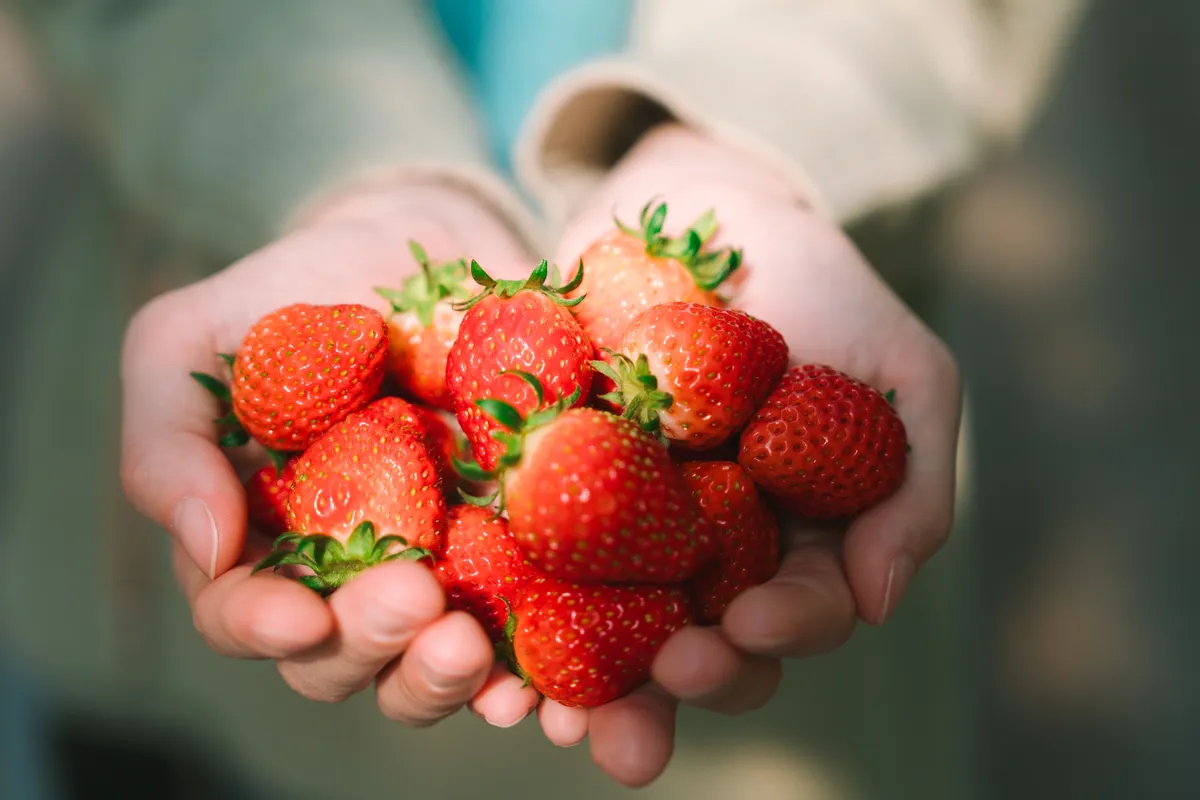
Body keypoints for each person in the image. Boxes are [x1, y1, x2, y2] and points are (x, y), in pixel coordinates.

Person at [3, 0, 1085, 794]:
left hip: (772, 733)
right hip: (142, 632)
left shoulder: (673, 384)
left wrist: (738, 142)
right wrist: (339, 158)